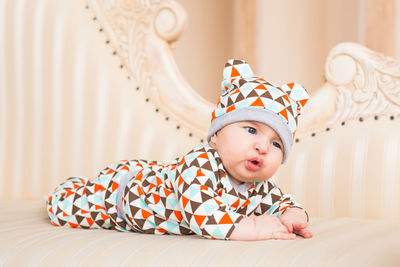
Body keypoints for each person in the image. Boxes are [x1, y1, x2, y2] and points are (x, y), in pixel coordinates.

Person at [47, 59, 312, 241]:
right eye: (251, 130)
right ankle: (70, 189)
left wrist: (293, 216)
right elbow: (203, 213)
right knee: (63, 209)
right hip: (122, 197)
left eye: (276, 144)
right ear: (217, 135)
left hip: (145, 181)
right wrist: (252, 227)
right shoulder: (201, 164)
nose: (263, 147)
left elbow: (280, 202)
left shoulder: (259, 185)